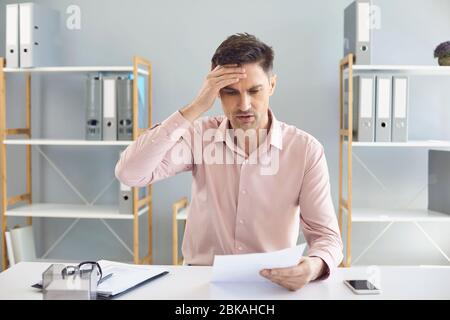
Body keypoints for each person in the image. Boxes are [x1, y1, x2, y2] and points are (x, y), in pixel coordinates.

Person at [115, 33, 343, 291]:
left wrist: (312, 267)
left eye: (254, 90)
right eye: (230, 92)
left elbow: (327, 237)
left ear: (272, 85)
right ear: (215, 92)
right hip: (201, 281)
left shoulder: (305, 150)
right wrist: (195, 107)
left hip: (271, 284)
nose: (244, 105)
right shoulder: (199, 136)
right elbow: (130, 173)